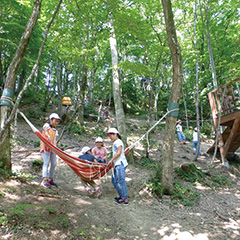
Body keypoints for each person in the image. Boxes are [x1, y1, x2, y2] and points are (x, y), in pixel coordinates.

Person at [106, 128, 128, 204]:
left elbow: (118, 153)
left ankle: (125, 199)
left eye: (110, 135)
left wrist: (111, 160)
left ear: (115, 134)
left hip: (120, 164)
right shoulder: (116, 142)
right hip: (117, 164)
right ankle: (122, 196)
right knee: (114, 180)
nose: (110, 137)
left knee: (121, 181)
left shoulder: (118, 142)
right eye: (109, 136)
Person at [40, 113, 61, 188]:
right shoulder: (46, 125)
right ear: (51, 120)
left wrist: (55, 147)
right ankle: (44, 180)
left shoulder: (55, 130)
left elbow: (55, 139)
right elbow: (46, 133)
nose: (56, 122)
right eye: (55, 120)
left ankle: (50, 179)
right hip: (45, 147)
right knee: (46, 162)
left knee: (54, 163)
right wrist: (49, 138)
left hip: (52, 148)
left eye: (58, 121)